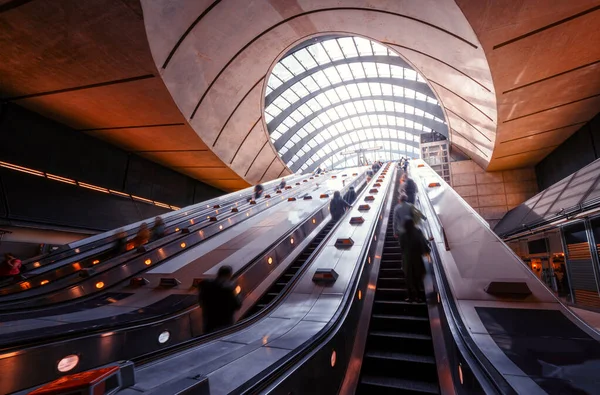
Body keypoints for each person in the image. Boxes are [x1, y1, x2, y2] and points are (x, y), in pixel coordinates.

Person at [198, 265, 242, 333]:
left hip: (209, 324)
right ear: (229, 275)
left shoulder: (206, 286)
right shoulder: (230, 288)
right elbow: (238, 305)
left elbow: (201, 302)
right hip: (225, 324)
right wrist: (237, 293)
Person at [399, 219, 430, 303]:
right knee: (417, 278)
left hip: (407, 259)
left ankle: (410, 297)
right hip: (417, 258)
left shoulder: (403, 234)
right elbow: (423, 242)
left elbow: (401, 246)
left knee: (408, 278)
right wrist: (426, 248)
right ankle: (418, 297)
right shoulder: (417, 232)